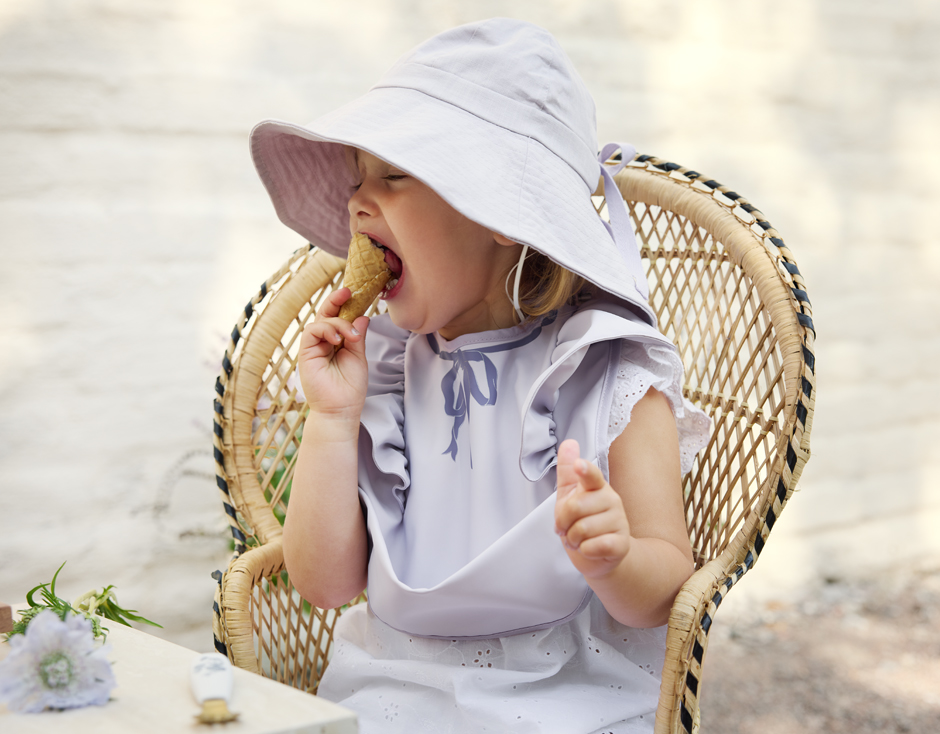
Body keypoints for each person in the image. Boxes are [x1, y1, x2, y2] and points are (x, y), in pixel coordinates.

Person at [248, 18, 712, 733]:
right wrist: (333, 420)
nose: (356, 203)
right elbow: (323, 583)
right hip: (392, 687)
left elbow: (662, 592)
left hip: (561, 692)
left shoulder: (606, 369)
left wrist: (614, 556)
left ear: (500, 210)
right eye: (356, 178)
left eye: (393, 176)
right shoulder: (389, 371)